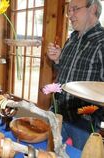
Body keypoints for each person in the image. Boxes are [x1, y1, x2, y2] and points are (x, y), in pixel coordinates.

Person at [47, 0, 104, 149]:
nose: (70, 15)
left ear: (93, 9)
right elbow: (65, 73)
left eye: (75, 9)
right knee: (47, 152)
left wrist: (94, 116)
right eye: (69, 10)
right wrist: (58, 59)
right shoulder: (72, 38)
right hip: (58, 113)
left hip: (84, 123)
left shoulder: (102, 42)